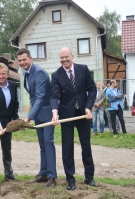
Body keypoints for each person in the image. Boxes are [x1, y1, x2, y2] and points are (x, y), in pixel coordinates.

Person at [50, 47, 98, 190]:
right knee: (67, 147)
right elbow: (54, 95)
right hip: (67, 116)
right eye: (61, 58)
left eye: (66, 57)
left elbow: (92, 90)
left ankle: (89, 177)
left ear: (72, 56)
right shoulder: (56, 75)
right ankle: (70, 179)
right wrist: (54, 113)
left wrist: (89, 107)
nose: (64, 60)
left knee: (86, 146)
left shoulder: (83, 69)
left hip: (84, 114)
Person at [17, 48, 57, 188]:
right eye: (20, 60)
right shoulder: (25, 73)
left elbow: (40, 98)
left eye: (24, 60)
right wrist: (33, 115)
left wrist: (28, 118)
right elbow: (33, 96)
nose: (22, 62)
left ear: (30, 58)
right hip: (38, 114)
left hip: (46, 113)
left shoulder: (38, 72)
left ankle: (52, 176)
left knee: (48, 142)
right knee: (42, 144)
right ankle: (43, 173)